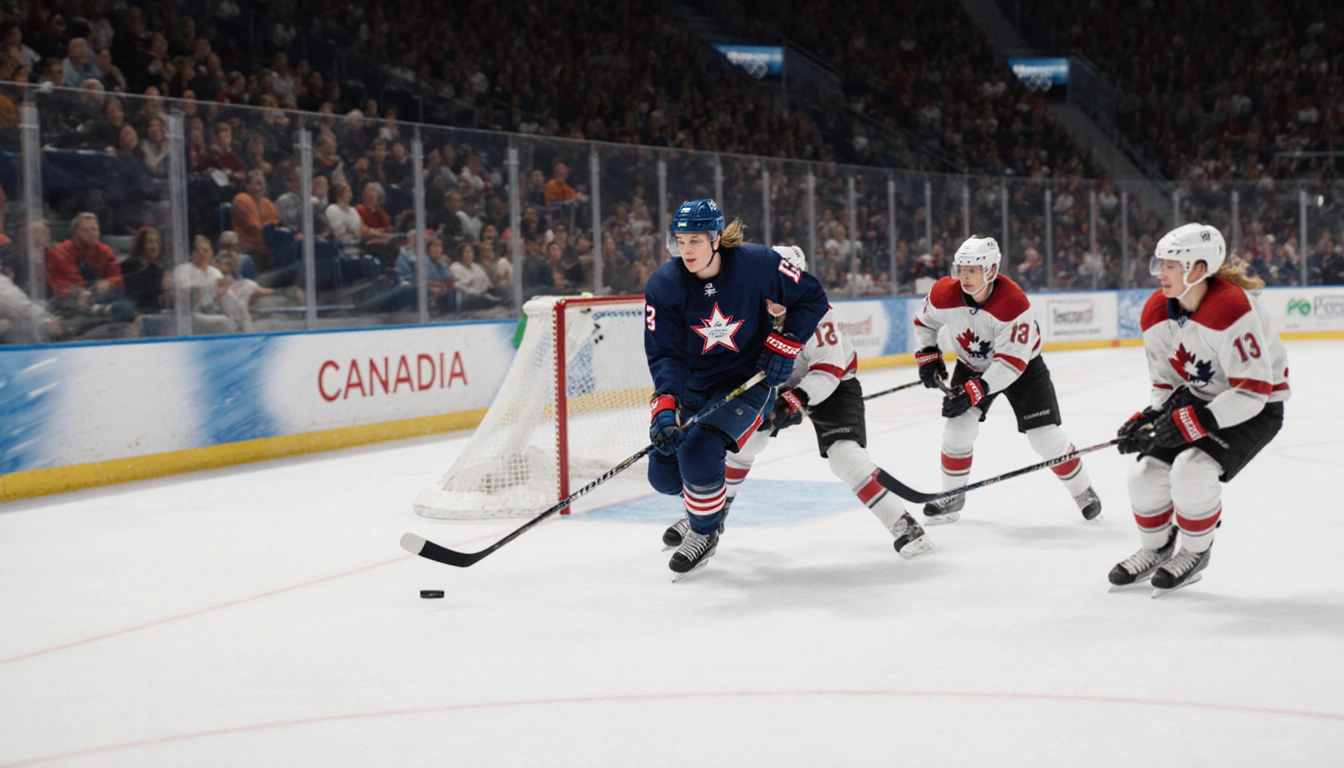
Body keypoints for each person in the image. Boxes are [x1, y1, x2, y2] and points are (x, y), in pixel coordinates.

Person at [662, 245, 932, 558]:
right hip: (773, 385)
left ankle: (902, 523)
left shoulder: (817, 311)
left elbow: (829, 368)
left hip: (832, 385)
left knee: (845, 456)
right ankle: (708, 518)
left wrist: (796, 400)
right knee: (742, 444)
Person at [645, 199, 828, 576]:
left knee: (699, 452)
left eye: (695, 240)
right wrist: (665, 405)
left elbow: (811, 297)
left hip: (747, 381)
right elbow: (665, 353)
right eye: (680, 240)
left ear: (716, 238)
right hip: (693, 385)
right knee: (662, 476)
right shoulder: (664, 285)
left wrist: (786, 344)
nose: (686, 250)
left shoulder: (757, 264)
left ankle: (705, 531)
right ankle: (703, 504)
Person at [1109, 224, 1289, 593]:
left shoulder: (1231, 308)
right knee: (1143, 475)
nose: (1160, 273)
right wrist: (1150, 418)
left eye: (1170, 265)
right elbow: (1166, 385)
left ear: (1196, 268)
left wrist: (1197, 421)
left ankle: (1194, 551)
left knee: (1192, 471)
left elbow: (1255, 389)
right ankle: (1155, 549)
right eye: (1160, 264)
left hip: (1255, 405)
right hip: (1201, 397)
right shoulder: (1157, 312)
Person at [913, 235, 1101, 524]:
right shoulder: (943, 293)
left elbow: (1011, 363)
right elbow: (924, 322)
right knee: (957, 430)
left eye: (972, 270)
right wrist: (928, 355)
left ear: (990, 270)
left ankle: (1083, 491)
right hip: (971, 364)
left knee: (1045, 438)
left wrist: (977, 390)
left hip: (1022, 369)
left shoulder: (1013, 303)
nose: (964, 276)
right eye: (961, 269)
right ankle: (952, 495)